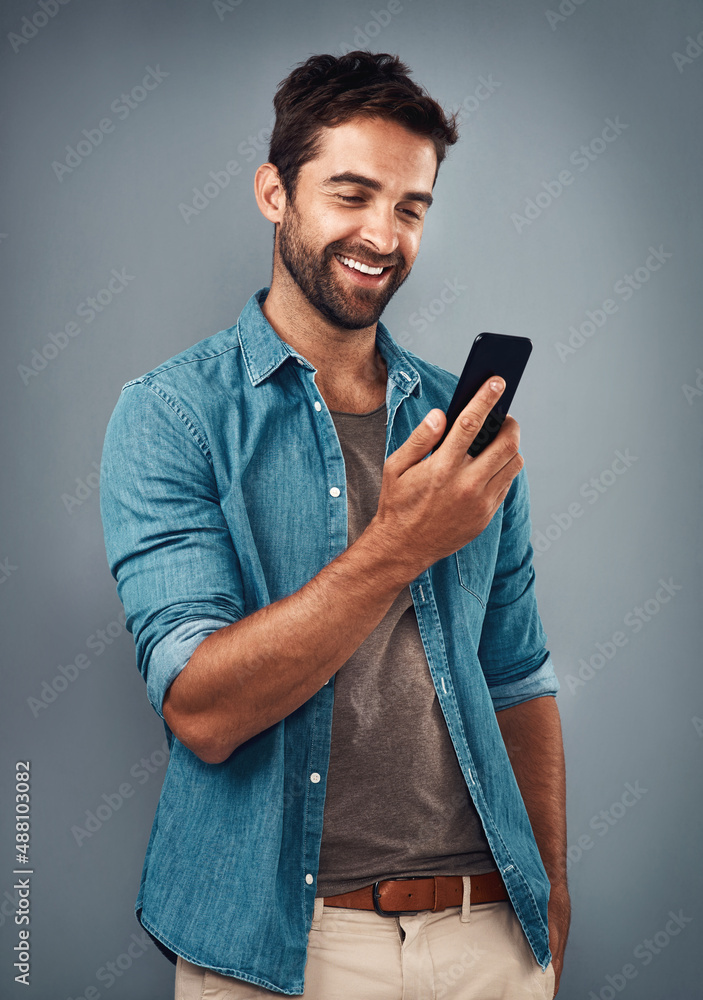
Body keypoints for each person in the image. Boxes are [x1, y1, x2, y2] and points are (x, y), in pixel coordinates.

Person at [100, 50, 570, 999]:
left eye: (410, 206)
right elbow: (201, 710)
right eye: (351, 193)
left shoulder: (460, 418)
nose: (382, 233)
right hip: (282, 951)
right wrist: (399, 545)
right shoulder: (170, 416)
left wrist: (550, 900)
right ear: (275, 192)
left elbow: (516, 676)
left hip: (489, 938)